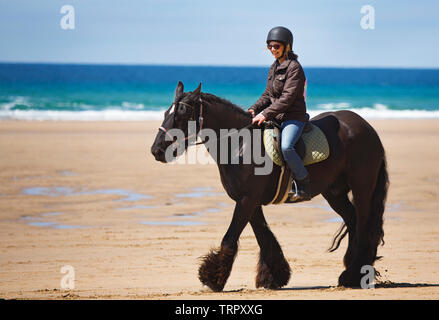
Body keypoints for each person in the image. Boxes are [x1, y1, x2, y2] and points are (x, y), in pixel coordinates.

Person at [248, 26, 311, 199]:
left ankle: (303, 183)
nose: (273, 50)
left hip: (293, 117)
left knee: (286, 146)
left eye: (276, 46)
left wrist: (265, 114)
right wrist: (254, 108)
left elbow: (287, 99)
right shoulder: (273, 67)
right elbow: (268, 95)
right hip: (277, 116)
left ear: (287, 46)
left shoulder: (295, 68)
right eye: (270, 46)